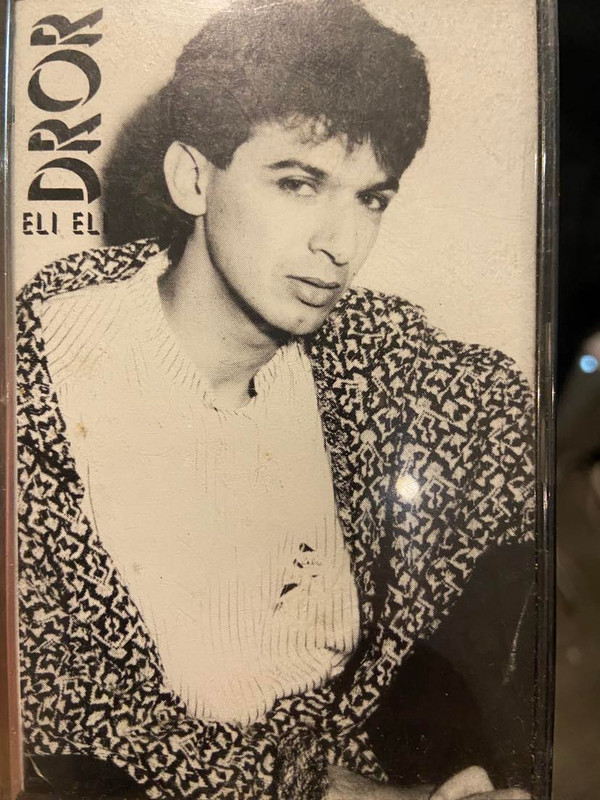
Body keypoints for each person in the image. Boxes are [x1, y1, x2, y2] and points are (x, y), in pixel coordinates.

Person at [16, 0, 535, 798]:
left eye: (370, 199)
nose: (341, 245)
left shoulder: (374, 363)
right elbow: (68, 725)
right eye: (299, 183)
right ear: (194, 178)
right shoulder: (37, 392)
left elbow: (517, 448)